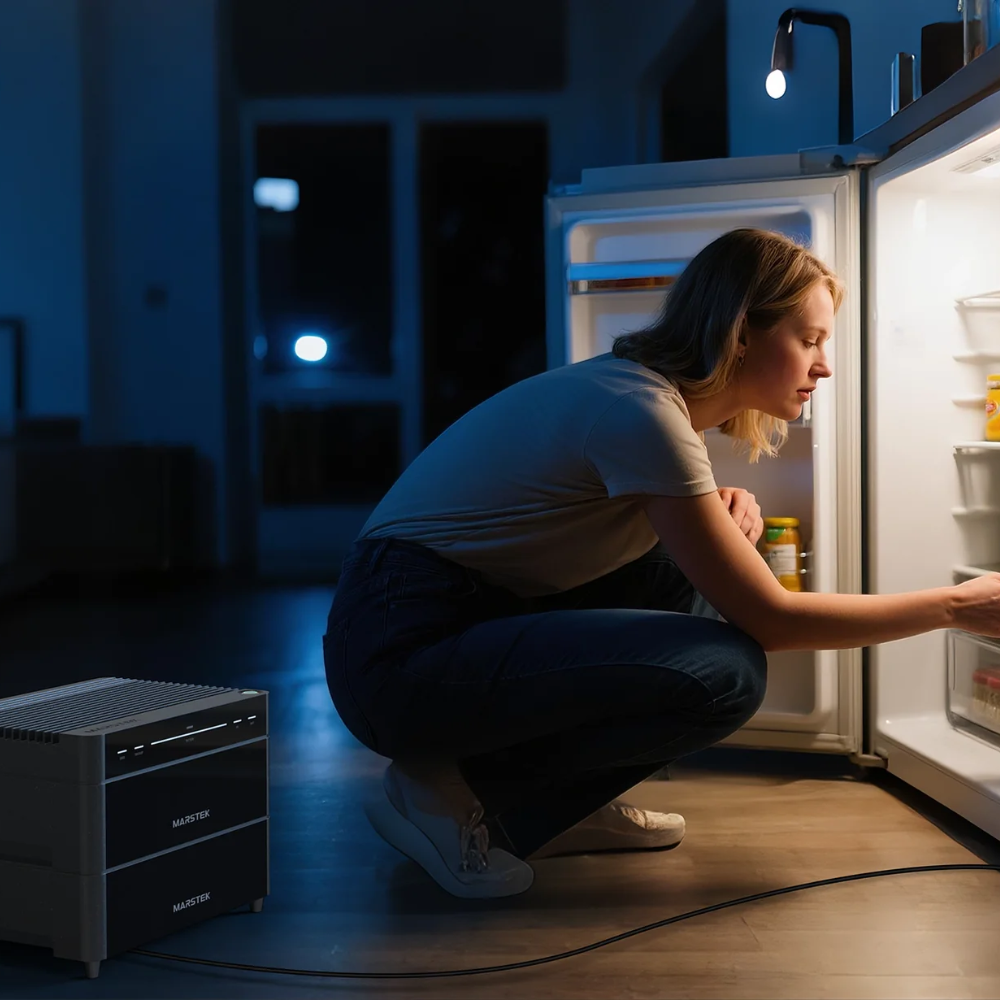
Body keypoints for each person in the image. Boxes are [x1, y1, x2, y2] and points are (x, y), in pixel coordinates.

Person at [323, 228, 1000, 899]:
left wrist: (712, 507)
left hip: (438, 623)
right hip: (399, 656)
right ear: (741, 332)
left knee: (686, 580)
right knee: (727, 673)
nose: (824, 365)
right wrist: (954, 606)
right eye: (810, 339)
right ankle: (449, 791)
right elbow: (773, 619)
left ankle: (545, 814)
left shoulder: (637, 399)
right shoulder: (641, 413)